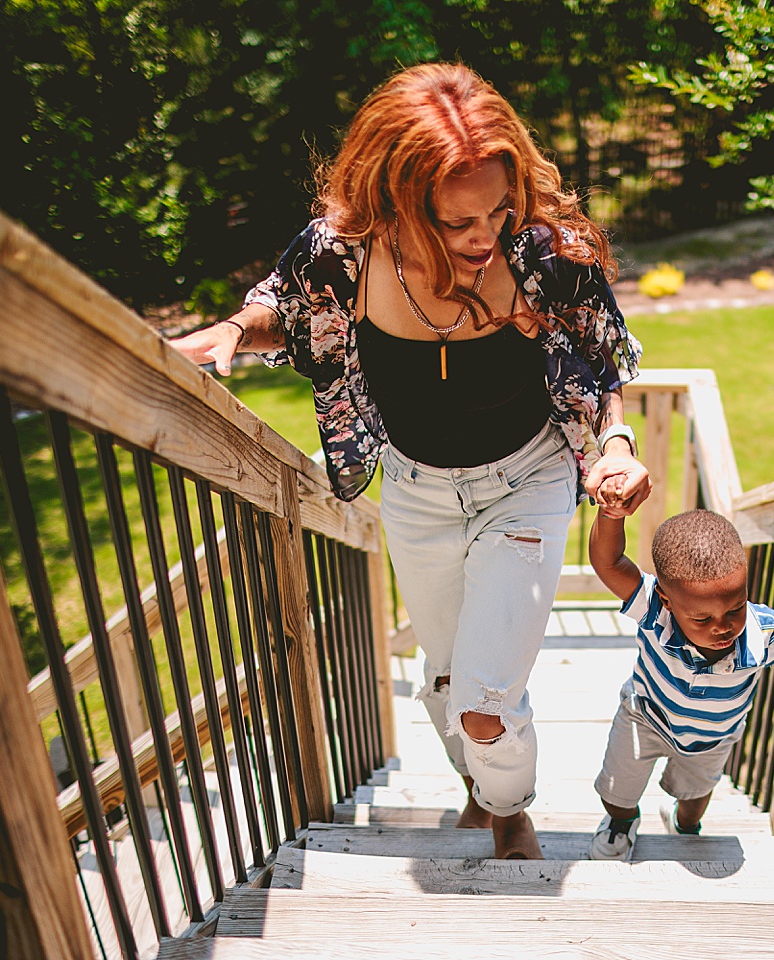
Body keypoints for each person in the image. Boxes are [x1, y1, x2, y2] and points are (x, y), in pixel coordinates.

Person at [171, 63, 651, 860]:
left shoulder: (544, 253)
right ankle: (477, 789)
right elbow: (290, 315)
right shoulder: (344, 255)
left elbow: (605, 366)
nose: (485, 235)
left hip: (526, 484)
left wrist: (617, 448)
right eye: (459, 219)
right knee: (443, 673)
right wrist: (233, 332)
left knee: (486, 700)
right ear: (395, 198)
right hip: (416, 491)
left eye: (499, 208)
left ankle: (509, 812)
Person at [585, 506, 774, 861]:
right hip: (645, 717)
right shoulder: (653, 609)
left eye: (734, 609)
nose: (721, 627)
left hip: (712, 736)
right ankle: (621, 823)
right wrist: (611, 513)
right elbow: (610, 563)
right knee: (616, 792)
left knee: (694, 802)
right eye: (702, 618)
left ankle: (681, 823)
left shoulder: (761, 631)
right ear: (667, 600)